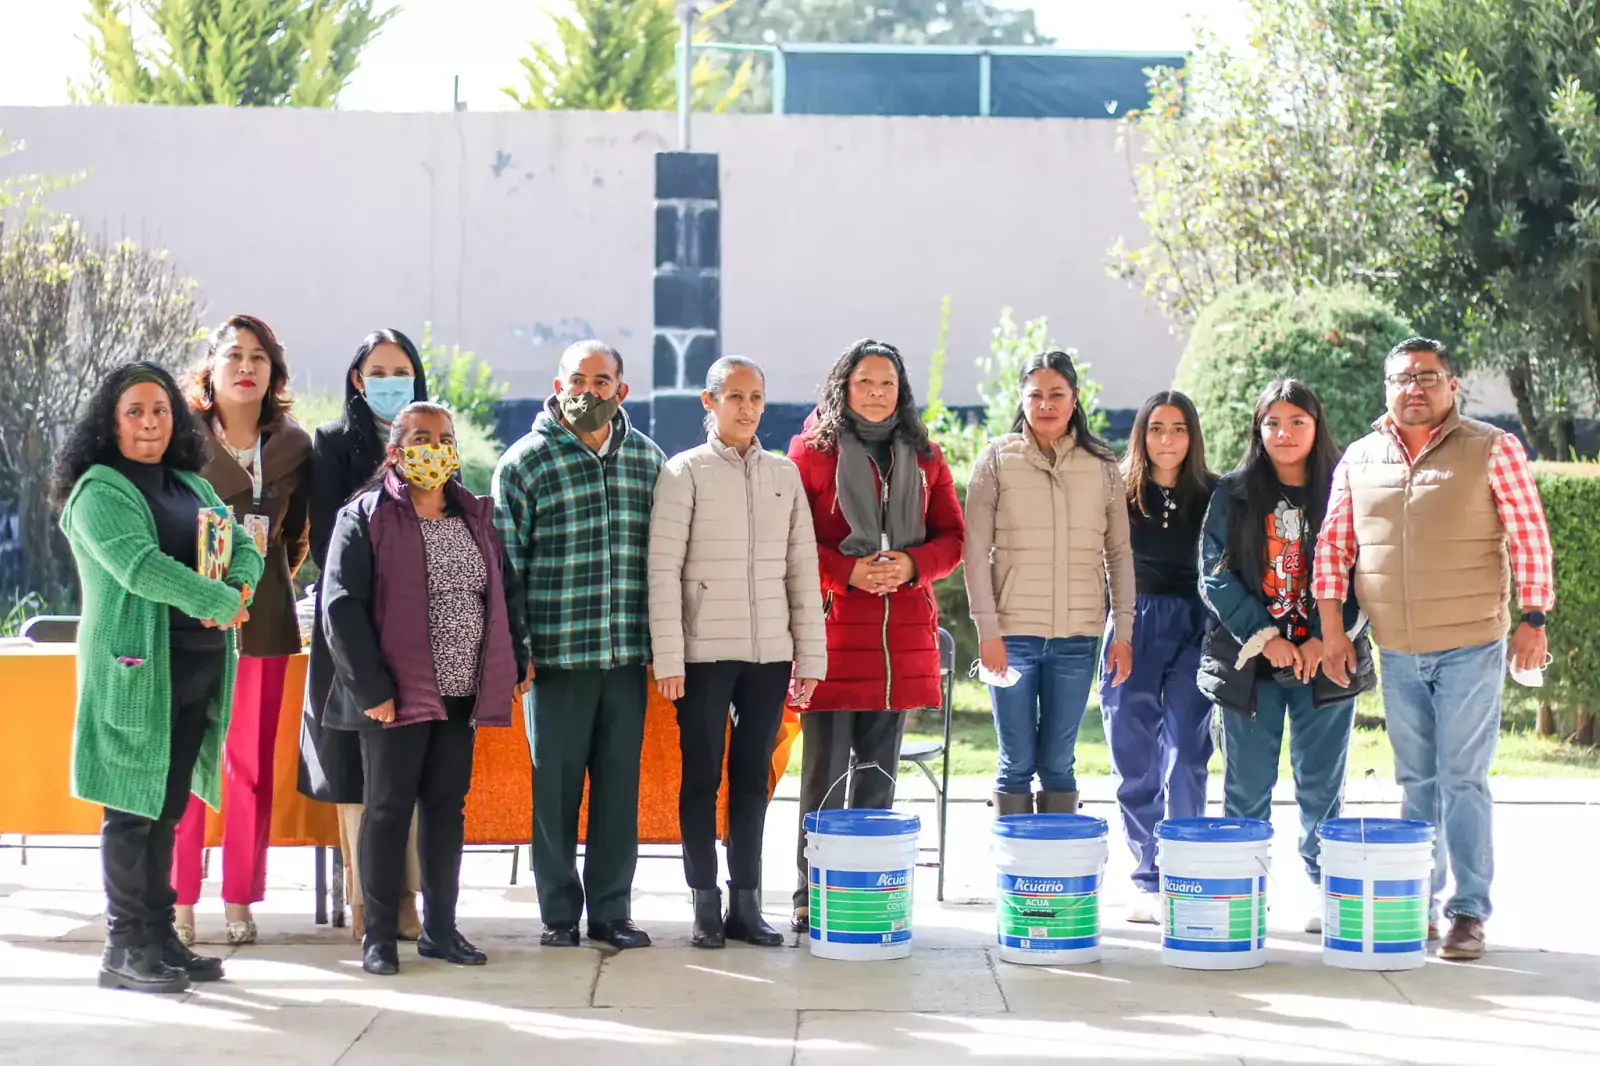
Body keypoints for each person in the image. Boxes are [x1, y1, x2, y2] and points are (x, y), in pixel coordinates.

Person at [1315, 337, 1554, 962]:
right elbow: (1333, 548)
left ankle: (1468, 912)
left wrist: (1534, 618)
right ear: (1386, 388)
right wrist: (1334, 630)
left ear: (1451, 385)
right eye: (1401, 378)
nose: (1413, 388)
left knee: (1462, 778)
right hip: (1396, 647)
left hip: (1471, 642)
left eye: (1427, 376)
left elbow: (1530, 538)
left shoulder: (1491, 448)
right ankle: (1416, 901)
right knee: (1417, 780)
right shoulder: (1359, 459)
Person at [51, 362, 263, 994]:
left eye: (161, 410)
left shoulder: (187, 484)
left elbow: (241, 542)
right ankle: (124, 946)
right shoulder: (100, 490)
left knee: (167, 807)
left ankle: (157, 933)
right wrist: (220, 600)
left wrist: (241, 582)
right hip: (135, 670)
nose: (150, 423)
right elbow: (139, 568)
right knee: (131, 809)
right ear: (110, 423)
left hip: (194, 664)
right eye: (135, 411)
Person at [320, 402, 530, 976]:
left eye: (443, 438)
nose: (433, 447)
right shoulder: (365, 517)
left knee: (446, 808)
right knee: (386, 811)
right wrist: (371, 687)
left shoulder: (472, 515)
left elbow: (504, 592)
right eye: (419, 437)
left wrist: (518, 660)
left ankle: (441, 930)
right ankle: (380, 938)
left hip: (463, 691)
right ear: (396, 449)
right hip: (396, 694)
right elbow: (341, 607)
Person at [786, 339, 965, 934]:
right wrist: (847, 569)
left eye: (887, 383)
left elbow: (952, 539)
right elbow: (791, 541)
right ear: (844, 386)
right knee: (825, 777)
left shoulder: (925, 456)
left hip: (899, 638)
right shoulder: (809, 455)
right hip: (834, 634)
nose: (876, 392)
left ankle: (863, 893)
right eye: (865, 381)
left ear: (901, 389)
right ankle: (811, 895)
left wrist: (913, 566)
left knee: (877, 777)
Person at [493, 339, 666, 950]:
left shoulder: (648, 461)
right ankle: (559, 914)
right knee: (554, 792)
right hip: (556, 660)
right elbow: (506, 567)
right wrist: (518, 651)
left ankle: (612, 912)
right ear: (558, 382)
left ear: (621, 390)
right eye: (578, 379)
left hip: (625, 659)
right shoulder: (525, 463)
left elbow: (664, 561)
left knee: (619, 792)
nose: (588, 392)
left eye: (602, 381)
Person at [648, 356, 826, 949]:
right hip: (701, 656)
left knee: (753, 780)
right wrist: (669, 656)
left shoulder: (783, 475)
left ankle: (747, 905)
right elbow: (663, 569)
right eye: (735, 397)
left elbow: (803, 570)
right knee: (701, 778)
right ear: (710, 402)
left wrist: (811, 657)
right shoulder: (684, 472)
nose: (747, 408)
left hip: (769, 654)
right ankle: (705, 905)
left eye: (756, 398)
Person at [1199, 379, 1373, 934]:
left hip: (1329, 662)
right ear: (1258, 429)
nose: (1285, 433)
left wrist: (1332, 634)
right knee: (1246, 786)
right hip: (1253, 664)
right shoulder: (1234, 492)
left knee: (1322, 784)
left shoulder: (1347, 487)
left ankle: (1326, 890)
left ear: (1316, 426)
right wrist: (1267, 636)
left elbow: (1372, 570)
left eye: (1297, 421)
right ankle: (1242, 890)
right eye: (1273, 422)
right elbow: (1214, 574)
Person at [167, 315, 311, 947]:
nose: (246, 366)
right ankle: (177, 900)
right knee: (189, 759)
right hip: (194, 615)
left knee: (249, 764)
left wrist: (261, 579)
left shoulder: (295, 447)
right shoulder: (180, 441)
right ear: (211, 368)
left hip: (266, 617)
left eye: (259, 356)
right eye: (233, 355)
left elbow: (299, 535)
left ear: (274, 372)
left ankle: (239, 897)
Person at [298, 329, 429, 940]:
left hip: (416, 631)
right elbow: (325, 544)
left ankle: (407, 895)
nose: (390, 381)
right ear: (358, 379)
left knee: (406, 768)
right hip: (352, 626)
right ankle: (363, 897)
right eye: (378, 371)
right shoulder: (330, 443)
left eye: (401, 370)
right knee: (355, 769)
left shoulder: (431, 436)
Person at [965, 351, 1135, 820]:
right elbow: (974, 553)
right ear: (1022, 399)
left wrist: (1122, 633)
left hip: (1077, 639)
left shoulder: (1102, 466)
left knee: (1060, 763)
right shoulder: (997, 459)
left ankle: (1056, 878)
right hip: (1011, 638)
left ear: (1075, 398)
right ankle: (1016, 877)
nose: (1046, 404)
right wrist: (988, 633)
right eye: (1035, 394)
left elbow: (1118, 553)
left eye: (1056, 394)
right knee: (1015, 762)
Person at [1098, 391, 1217, 924]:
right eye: (1156, 429)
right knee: (1135, 755)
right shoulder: (1118, 491)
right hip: (1132, 620)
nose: (1167, 439)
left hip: (1197, 621)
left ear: (1192, 437)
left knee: (1189, 752)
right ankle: (1148, 874)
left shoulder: (1215, 493)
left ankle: (1186, 864)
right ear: (1141, 435)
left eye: (1178, 429)